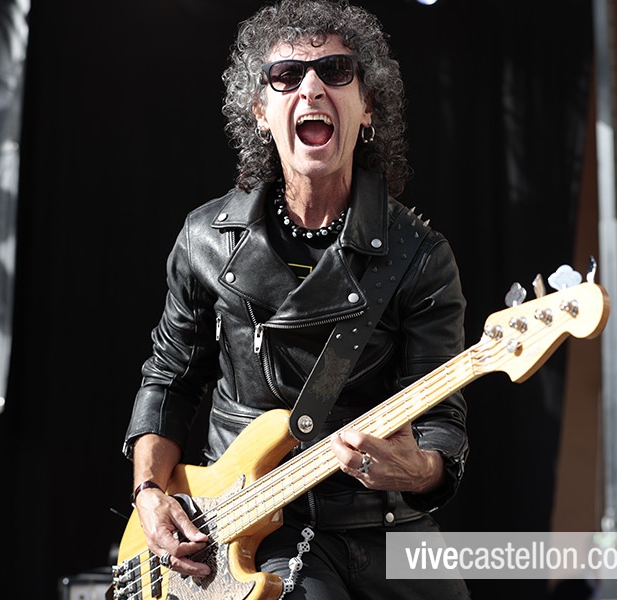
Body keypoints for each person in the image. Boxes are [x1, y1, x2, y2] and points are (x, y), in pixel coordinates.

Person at [122, 0, 470, 597]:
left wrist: (420, 470)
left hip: (384, 522)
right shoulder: (205, 240)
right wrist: (150, 492)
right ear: (260, 111)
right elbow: (170, 379)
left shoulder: (419, 255)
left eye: (336, 71)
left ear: (367, 107)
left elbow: (441, 418)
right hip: (244, 522)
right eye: (286, 76)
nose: (311, 87)